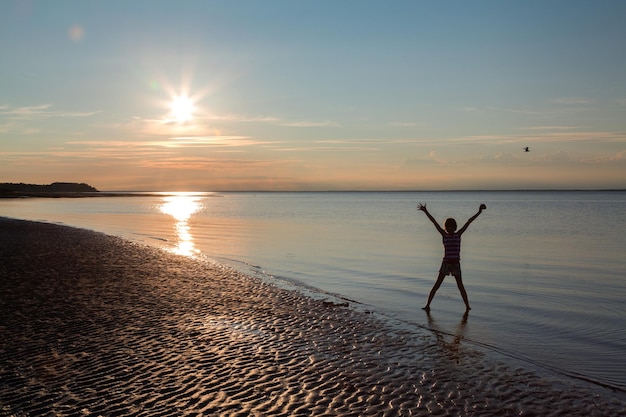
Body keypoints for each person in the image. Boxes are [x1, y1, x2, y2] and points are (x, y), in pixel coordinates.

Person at [417, 203, 486, 312]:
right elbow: (434, 222)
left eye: (452, 226)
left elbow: (469, 221)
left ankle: (467, 307)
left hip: (455, 264)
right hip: (446, 263)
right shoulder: (444, 235)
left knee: (460, 286)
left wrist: (479, 212)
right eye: (448, 226)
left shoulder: (458, 234)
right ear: (446, 227)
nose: (450, 228)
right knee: (437, 285)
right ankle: (427, 305)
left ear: (454, 227)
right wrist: (425, 211)